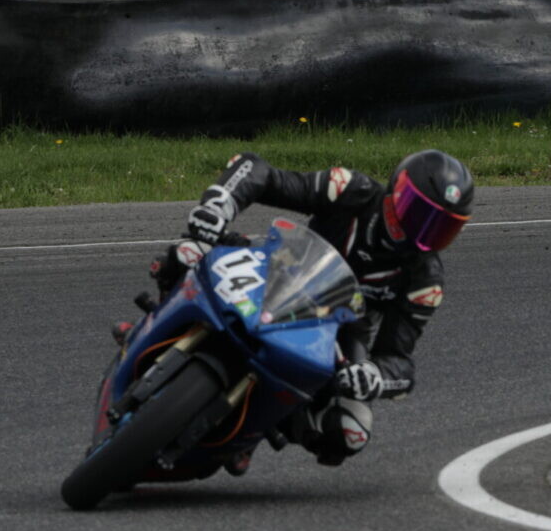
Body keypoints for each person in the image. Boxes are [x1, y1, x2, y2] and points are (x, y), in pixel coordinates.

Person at [147, 149, 474, 468]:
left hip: (339, 331)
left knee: (351, 430)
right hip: (280, 268)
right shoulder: (351, 190)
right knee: (189, 251)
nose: (421, 231)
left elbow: (399, 362)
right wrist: (218, 206)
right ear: (397, 192)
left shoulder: (425, 280)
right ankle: (153, 326)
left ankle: (253, 432)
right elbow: (259, 171)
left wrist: (374, 376)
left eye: (440, 228)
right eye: (418, 214)